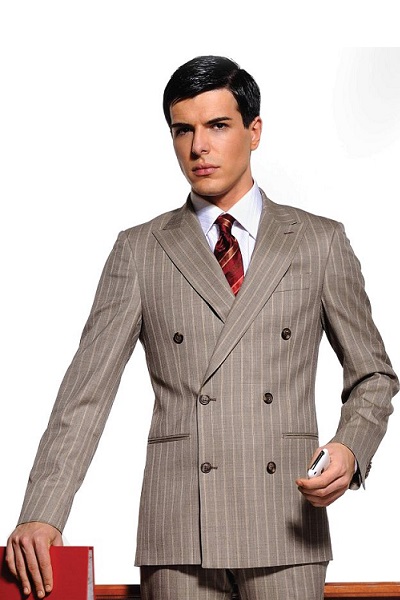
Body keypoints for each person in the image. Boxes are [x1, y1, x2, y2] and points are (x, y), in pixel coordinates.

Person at [6, 55, 399, 600]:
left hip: (287, 522)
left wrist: (351, 449)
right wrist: (42, 513)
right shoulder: (140, 250)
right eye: (182, 130)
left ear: (254, 131)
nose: (198, 147)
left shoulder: (318, 242)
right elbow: (85, 394)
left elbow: (374, 376)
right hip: (179, 531)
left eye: (217, 125)